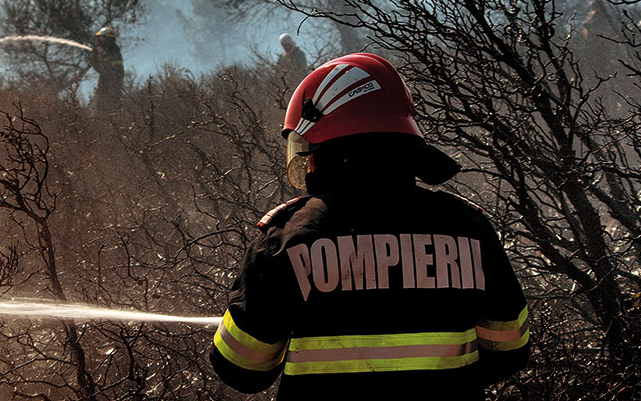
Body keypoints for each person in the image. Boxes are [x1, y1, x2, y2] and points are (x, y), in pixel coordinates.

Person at [209, 53, 530, 399]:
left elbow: (242, 369)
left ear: (328, 146)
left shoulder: (286, 237)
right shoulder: (468, 228)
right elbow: (509, 351)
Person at [90, 25, 124, 113]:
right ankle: (103, 119)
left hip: (113, 76)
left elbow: (106, 53)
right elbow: (95, 62)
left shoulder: (111, 47)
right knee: (101, 100)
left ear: (106, 37)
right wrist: (95, 49)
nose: (99, 39)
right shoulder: (106, 47)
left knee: (112, 100)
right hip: (106, 75)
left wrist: (98, 47)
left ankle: (113, 119)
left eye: (100, 37)